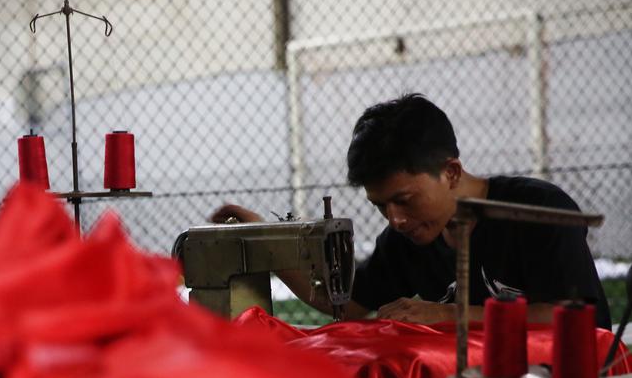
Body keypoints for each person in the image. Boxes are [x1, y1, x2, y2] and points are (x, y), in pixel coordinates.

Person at [212, 94, 611, 328]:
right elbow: (344, 304)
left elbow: (580, 319)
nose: (395, 219)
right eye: (381, 206)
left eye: (404, 199)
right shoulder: (408, 240)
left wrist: (447, 314)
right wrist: (263, 238)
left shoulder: (536, 210)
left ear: (450, 172)